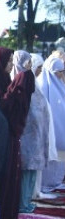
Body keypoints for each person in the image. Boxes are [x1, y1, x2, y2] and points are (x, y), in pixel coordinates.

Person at [0, 47, 34, 219]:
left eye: (12, 60)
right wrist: (21, 79)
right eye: (8, 61)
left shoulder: (5, 80)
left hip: (9, 138)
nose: (11, 64)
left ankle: (6, 213)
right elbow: (2, 107)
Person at [13, 51, 49, 213]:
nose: (29, 67)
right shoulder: (17, 82)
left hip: (35, 136)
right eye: (27, 63)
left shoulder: (32, 82)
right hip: (24, 136)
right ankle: (21, 202)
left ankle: (26, 201)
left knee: (31, 171)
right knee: (23, 172)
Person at [37, 56, 65, 191]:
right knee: (48, 157)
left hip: (60, 132)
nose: (61, 74)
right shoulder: (41, 86)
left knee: (59, 159)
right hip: (46, 130)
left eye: (62, 71)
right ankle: (45, 184)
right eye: (58, 71)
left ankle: (55, 181)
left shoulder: (61, 87)